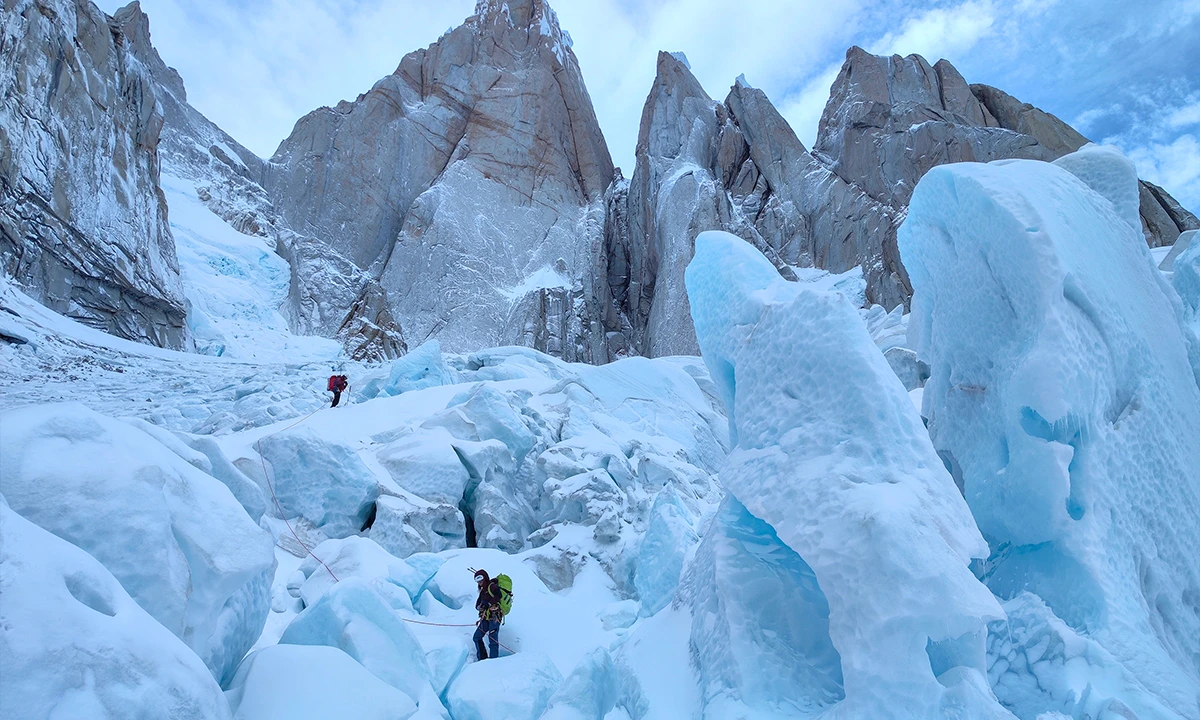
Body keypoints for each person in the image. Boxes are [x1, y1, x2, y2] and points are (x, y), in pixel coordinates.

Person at [472, 569, 502, 660]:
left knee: (492, 640)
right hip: (486, 617)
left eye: (480, 580)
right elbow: (478, 604)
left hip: (494, 617)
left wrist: (488, 604)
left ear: (485, 578)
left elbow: (499, 595)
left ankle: (493, 662)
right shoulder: (483, 590)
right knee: (477, 637)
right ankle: (483, 660)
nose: (479, 582)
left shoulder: (492, 586)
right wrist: (480, 607)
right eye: (477, 581)